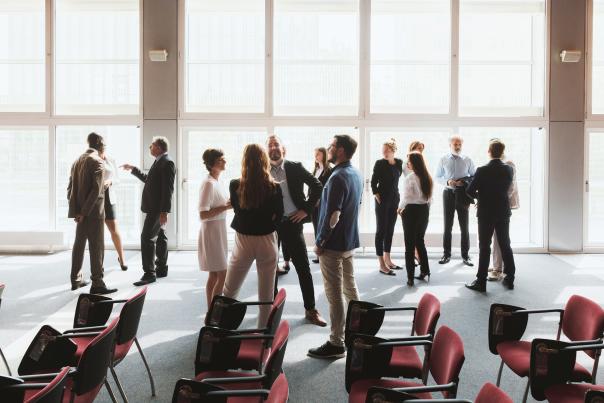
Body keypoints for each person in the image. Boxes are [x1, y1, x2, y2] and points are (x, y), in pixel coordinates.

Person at [308, 134, 362, 359]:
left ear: (340, 150)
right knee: (350, 287)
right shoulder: (355, 173)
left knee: (334, 293)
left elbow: (333, 215)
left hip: (333, 245)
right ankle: (358, 330)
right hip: (349, 241)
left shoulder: (338, 177)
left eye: (331, 145)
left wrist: (320, 242)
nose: (328, 148)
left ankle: (337, 341)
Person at [267, 135, 327, 327]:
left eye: (276, 144)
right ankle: (271, 309)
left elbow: (317, 186)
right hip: (271, 226)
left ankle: (311, 309)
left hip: (293, 222)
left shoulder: (295, 167)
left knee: (303, 267)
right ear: (266, 150)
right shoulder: (262, 169)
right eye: (270, 145)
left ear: (283, 149)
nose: (273, 148)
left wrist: (306, 210)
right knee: (269, 268)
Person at [223, 144, 283, 327]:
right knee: (266, 293)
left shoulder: (235, 185)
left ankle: (223, 326)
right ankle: (262, 332)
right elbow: (279, 215)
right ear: (264, 161)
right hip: (267, 239)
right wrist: (267, 224)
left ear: (244, 161)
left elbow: (236, 209)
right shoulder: (274, 187)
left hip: (244, 240)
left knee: (230, 289)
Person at [121, 136, 176, 286]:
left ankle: (149, 273)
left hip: (157, 209)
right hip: (155, 208)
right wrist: (134, 169)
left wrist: (164, 211)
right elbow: (149, 180)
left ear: (158, 147)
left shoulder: (167, 162)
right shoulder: (159, 161)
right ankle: (161, 268)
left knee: (146, 238)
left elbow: (168, 190)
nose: (150, 148)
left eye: (151, 146)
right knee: (160, 237)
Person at [67, 133, 116, 295]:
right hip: (93, 213)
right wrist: (106, 184)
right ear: (101, 144)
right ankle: (97, 283)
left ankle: (76, 279)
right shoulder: (97, 161)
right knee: (97, 247)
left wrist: (76, 211)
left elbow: (70, 189)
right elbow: (96, 190)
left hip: (81, 213)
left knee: (79, 245)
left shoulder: (77, 160)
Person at [465, 139, 516, 292]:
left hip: (486, 212)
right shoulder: (509, 169)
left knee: (484, 246)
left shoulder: (482, 170)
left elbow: (469, 190)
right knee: (505, 244)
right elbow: (506, 189)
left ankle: (481, 281)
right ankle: (510, 278)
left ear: (489, 151)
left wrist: (479, 198)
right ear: (502, 152)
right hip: (503, 211)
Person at [435, 135, 476, 266]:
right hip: (448, 194)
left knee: (465, 226)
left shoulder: (467, 159)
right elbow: (437, 177)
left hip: (463, 194)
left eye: (459, 145)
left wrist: (464, 182)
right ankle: (446, 255)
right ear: (450, 145)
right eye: (455, 145)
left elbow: (474, 177)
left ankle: (466, 256)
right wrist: (447, 181)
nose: (458, 147)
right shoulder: (443, 159)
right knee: (448, 226)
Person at [198, 149, 231, 309]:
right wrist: (225, 207)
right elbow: (203, 214)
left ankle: (210, 312)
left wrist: (227, 205)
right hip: (211, 231)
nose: (224, 162)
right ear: (212, 164)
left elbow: (220, 206)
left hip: (219, 230)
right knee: (222, 273)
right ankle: (214, 313)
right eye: (221, 160)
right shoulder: (209, 184)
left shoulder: (218, 182)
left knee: (214, 274)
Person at [398, 152, 433, 286]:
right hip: (424, 210)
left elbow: (407, 198)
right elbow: (429, 198)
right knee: (420, 241)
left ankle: (410, 277)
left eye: (409, 161)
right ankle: (425, 270)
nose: (408, 164)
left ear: (414, 163)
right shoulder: (427, 177)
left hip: (411, 211)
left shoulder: (410, 178)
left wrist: (399, 208)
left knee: (409, 246)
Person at [371, 138, 403, 275]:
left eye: (387, 150)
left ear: (393, 151)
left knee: (390, 229)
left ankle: (388, 259)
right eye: (383, 150)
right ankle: (381, 264)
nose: (384, 152)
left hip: (395, 199)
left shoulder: (399, 163)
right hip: (382, 200)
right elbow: (373, 182)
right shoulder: (379, 163)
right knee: (381, 231)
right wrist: (376, 194)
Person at [489, 155, 519, 282]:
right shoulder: (497, 165)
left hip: (501, 206)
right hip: (498, 206)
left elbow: (510, 188)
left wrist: (495, 199)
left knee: (501, 240)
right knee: (498, 238)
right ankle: (497, 265)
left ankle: (499, 269)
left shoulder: (508, 164)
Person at [99, 149, 128, 271]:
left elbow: (117, 180)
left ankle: (122, 259)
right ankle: (99, 264)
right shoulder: (92, 159)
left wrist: (110, 181)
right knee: (98, 233)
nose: (102, 149)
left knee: (114, 230)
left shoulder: (111, 160)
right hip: (96, 199)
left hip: (109, 198)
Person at [311, 147, 332, 264]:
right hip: (314, 204)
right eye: (315, 154)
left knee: (322, 228)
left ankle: (324, 253)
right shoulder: (316, 169)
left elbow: (328, 188)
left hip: (323, 204)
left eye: (318, 154)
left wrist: (320, 199)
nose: (316, 156)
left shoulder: (329, 170)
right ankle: (318, 254)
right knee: (316, 227)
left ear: (324, 155)